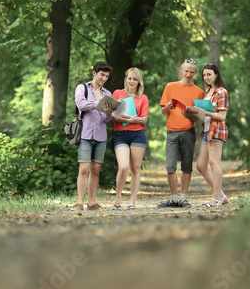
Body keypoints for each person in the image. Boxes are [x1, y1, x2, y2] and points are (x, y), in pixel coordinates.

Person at [158, 59, 205, 208]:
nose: (189, 74)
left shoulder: (199, 92)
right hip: (171, 131)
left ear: (195, 73)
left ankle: (183, 197)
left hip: (188, 132)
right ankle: (173, 198)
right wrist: (167, 107)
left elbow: (198, 117)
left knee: (186, 166)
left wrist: (188, 115)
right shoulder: (170, 86)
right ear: (181, 70)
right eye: (186, 71)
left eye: (192, 72)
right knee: (170, 166)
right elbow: (163, 111)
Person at [72, 61, 115, 212]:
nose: (104, 78)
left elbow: (106, 119)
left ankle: (91, 203)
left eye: (107, 76)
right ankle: (79, 203)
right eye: (102, 75)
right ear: (94, 72)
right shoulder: (82, 88)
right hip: (85, 134)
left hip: (101, 135)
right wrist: (97, 103)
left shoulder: (108, 94)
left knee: (96, 169)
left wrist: (109, 113)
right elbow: (81, 105)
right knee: (84, 169)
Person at [111, 67, 149, 210]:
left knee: (135, 168)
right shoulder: (118, 93)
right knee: (123, 167)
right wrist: (132, 119)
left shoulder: (143, 98)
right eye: (129, 78)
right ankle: (118, 198)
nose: (132, 81)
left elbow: (144, 120)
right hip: (120, 134)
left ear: (139, 81)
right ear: (126, 78)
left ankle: (132, 201)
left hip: (137, 135)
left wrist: (130, 119)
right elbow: (113, 115)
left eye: (135, 79)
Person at [196, 63, 229, 207]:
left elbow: (221, 116)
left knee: (214, 164)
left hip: (217, 130)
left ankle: (216, 198)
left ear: (216, 75)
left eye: (209, 74)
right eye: (204, 75)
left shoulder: (222, 92)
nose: (206, 77)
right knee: (201, 166)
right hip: (207, 130)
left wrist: (204, 112)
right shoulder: (207, 92)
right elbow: (206, 115)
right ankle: (222, 196)